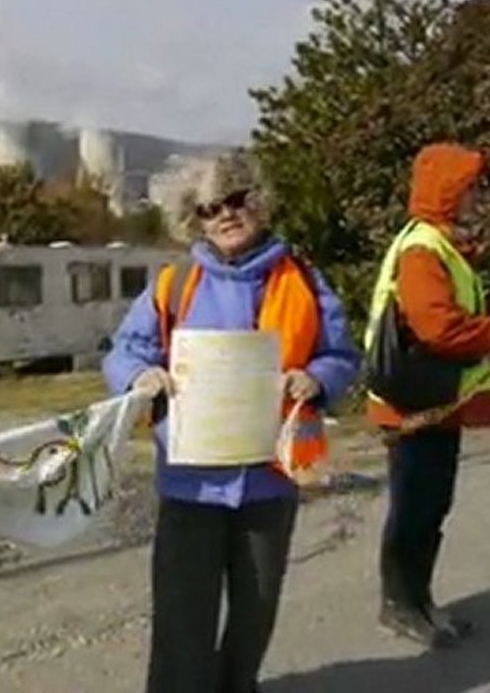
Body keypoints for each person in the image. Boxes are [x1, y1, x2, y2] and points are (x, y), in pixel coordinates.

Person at [103, 182, 360, 693]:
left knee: (255, 611)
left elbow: (341, 355)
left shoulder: (304, 278)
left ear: (259, 203)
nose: (225, 214)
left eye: (237, 200)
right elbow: (125, 350)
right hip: (190, 484)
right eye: (209, 208)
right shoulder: (175, 282)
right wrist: (138, 376)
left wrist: (318, 379)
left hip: (273, 478)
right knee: (182, 617)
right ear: (195, 218)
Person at [365, 143, 490, 648]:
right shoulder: (423, 250)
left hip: (431, 400)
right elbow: (440, 329)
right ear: (447, 192)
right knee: (416, 507)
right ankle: (401, 604)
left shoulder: (437, 244)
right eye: (471, 187)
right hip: (415, 403)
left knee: (430, 505)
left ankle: (418, 600)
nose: (479, 196)